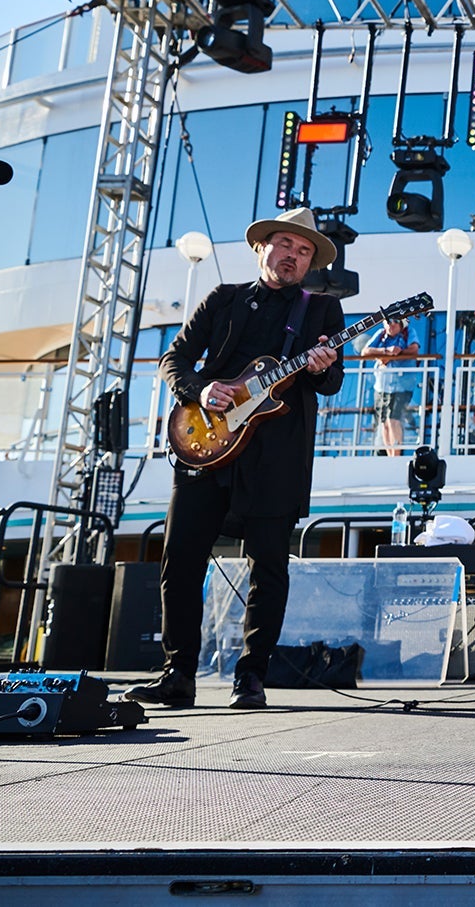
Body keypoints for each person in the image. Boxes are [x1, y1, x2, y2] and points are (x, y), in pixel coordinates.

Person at [126, 208, 344, 711]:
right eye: (286, 244)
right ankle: (177, 675)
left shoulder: (320, 312)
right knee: (179, 562)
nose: (293, 256)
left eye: (304, 250)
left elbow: (330, 383)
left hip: (276, 457)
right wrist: (202, 391)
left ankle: (251, 677)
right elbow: (173, 358)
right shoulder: (222, 299)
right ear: (261, 247)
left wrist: (319, 366)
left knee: (268, 566)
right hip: (207, 445)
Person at [362, 316, 419, 457]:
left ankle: (396, 455)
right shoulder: (381, 334)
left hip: (402, 385)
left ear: (401, 324)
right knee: (384, 422)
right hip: (382, 385)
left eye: (394, 322)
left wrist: (397, 353)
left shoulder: (408, 332)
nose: (391, 324)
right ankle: (390, 454)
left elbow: (414, 349)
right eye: (388, 321)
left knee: (394, 419)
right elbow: (365, 351)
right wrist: (386, 351)